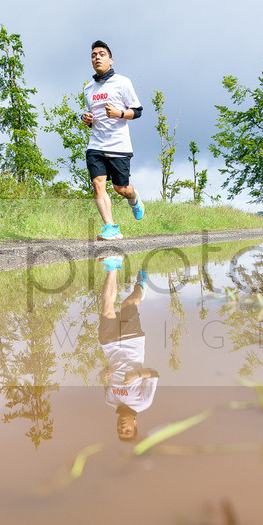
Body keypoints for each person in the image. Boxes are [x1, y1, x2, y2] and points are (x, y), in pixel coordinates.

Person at [81, 40, 145, 241]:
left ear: (110, 59)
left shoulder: (122, 82)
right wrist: (86, 120)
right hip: (96, 145)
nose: (97, 57)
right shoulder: (88, 88)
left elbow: (138, 112)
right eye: (94, 55)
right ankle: (111, 227)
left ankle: (134, 199)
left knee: (121, 189)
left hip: (118, 145)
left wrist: (119, 113)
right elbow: (94, 119)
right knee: (98, 183)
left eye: (101, 54)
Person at [97, 257, 158, 440]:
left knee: (107, 310)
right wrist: (138, 375)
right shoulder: (143, 403)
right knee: (128, 304)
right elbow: (154, 374)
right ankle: (140, 286)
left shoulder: (109, 401)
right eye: (128, 431)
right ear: (135, 424)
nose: (122, 428)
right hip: (132, 342)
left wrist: (105, 372)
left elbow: (106, 375)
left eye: (120, 431)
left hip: (109, 346)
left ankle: (112, 266)